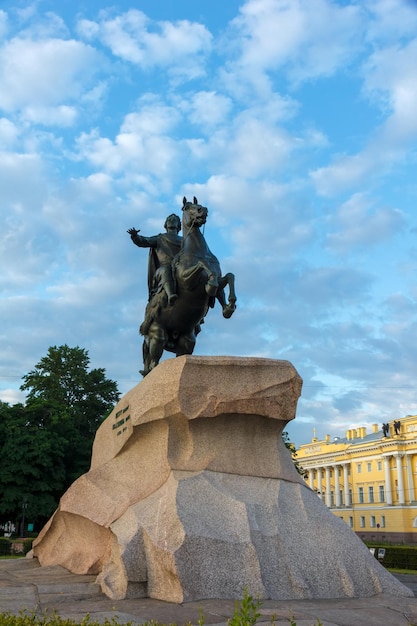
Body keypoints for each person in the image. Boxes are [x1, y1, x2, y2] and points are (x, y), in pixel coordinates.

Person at [128, 214, 182, 334]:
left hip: (179, 269)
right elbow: (144, 241)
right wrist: (135, 236)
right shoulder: (160, 238)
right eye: (169, 219)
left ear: (179, 225)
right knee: (166, 270)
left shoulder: (185, 241)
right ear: (165, 224)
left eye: (175, 220)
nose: (172, 221)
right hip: (162, 270)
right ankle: (171, 295)